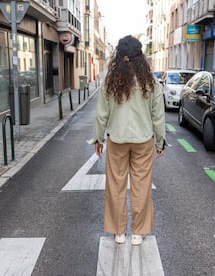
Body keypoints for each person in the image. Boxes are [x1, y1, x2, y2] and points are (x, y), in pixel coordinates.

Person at [88, 35, 167, 246]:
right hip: (143, 141)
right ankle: (138, 233)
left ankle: (119, 232)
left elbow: (101, 114)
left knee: (115, 186)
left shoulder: (110, 82)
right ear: (140, 56)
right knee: (142, 187)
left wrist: (98, 138)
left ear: (118, 56)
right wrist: (160, 141)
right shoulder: (151, 82)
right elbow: (158, 116)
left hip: (117, 140)